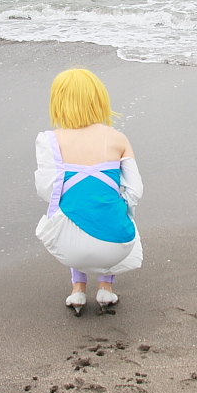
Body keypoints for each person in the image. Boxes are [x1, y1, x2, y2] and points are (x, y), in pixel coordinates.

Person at [34, 68, 143, 315]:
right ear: (99, 99)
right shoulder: (118, 139)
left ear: (58, 101)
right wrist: (118, 207)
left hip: (68, 248)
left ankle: (78, 290)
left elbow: (46, 190)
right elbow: (135, 190)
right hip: (117, 246)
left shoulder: (49, 140)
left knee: (72, 213)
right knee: (113, 214)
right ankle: (106, 288)